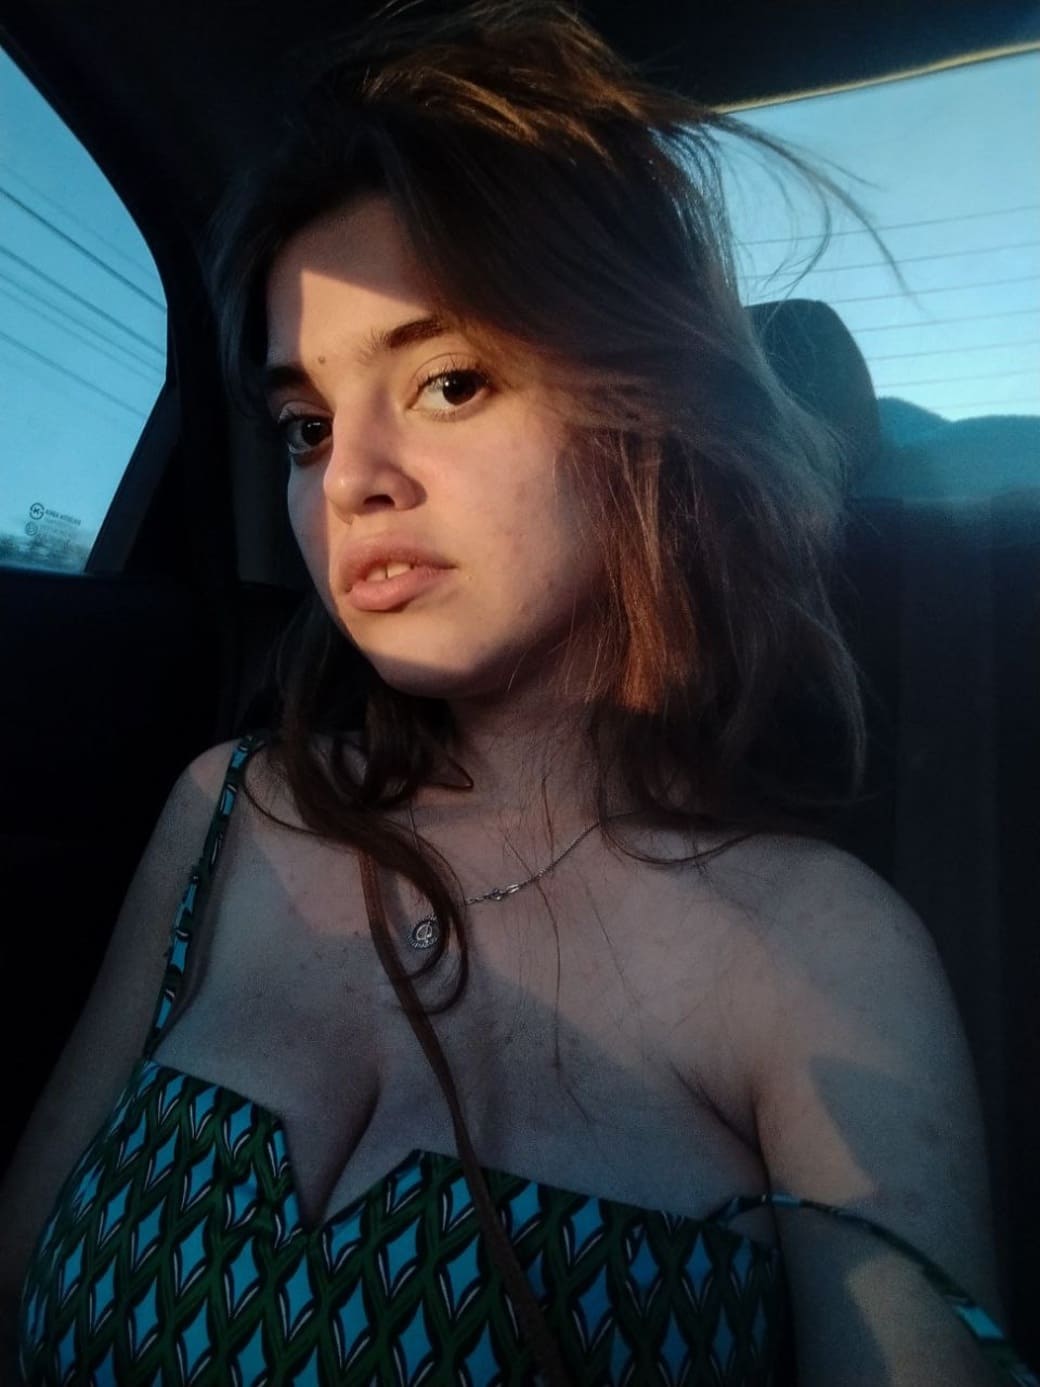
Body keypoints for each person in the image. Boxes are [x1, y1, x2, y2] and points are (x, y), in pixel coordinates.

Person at [1, 2, 1036, 1383]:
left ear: (641, 415)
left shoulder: (822, 951)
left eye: (450, 380)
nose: (348, 480)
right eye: (306, 426)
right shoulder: (225, 809)